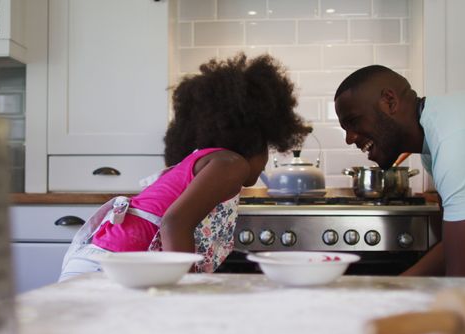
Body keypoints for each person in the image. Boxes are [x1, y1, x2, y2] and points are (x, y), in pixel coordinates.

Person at [59, 53, 312, 281]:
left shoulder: (205, 162)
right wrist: (188, 291)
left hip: (104, 261)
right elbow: (175, 222)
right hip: (112, 268)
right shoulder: (232, 165)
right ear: (257, 137)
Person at [333, 65, 465, 278]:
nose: (349, 139)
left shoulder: (454, 144)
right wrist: (393, 286)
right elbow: (455, 245)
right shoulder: (434, 142)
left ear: (389, 101)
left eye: (353, 121)